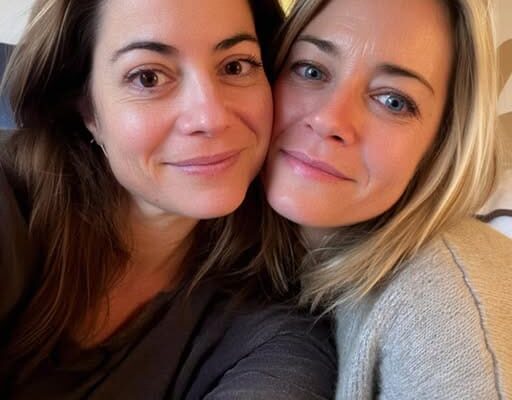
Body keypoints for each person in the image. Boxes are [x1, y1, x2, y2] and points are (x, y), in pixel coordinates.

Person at [0, 0, 336, 398]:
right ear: (88, 109)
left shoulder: (276, 325)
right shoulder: (11, 199)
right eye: (148, 77)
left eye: (235, 66)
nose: (210, 118)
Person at [263, 0, 512, 398]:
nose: (329, 119)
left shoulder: (445, 313)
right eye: (311, 70)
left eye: (393, 100)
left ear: (441, 143)